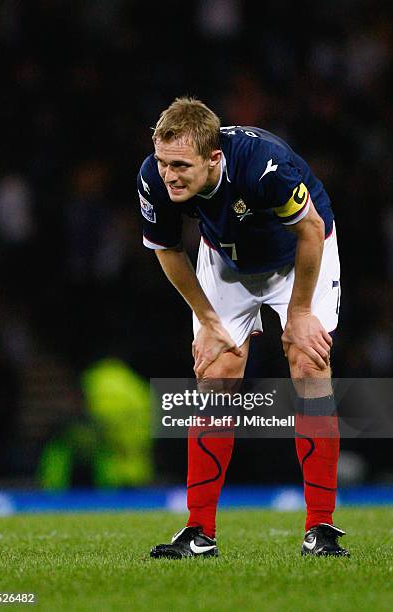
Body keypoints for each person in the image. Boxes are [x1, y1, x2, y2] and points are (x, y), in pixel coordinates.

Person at [137, 97, 349, 558]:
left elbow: (310, 230)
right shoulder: (154, 176)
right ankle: (198, 532)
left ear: (214, 158)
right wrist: (210, 322)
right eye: (162, 162)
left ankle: (321, 528)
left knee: (309, 364)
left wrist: (297, 316)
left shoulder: (264, 165)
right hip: (227, 259)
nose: (168, 174)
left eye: (179, 165)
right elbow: (168, 250)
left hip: (299, 255)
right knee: (216, 373)